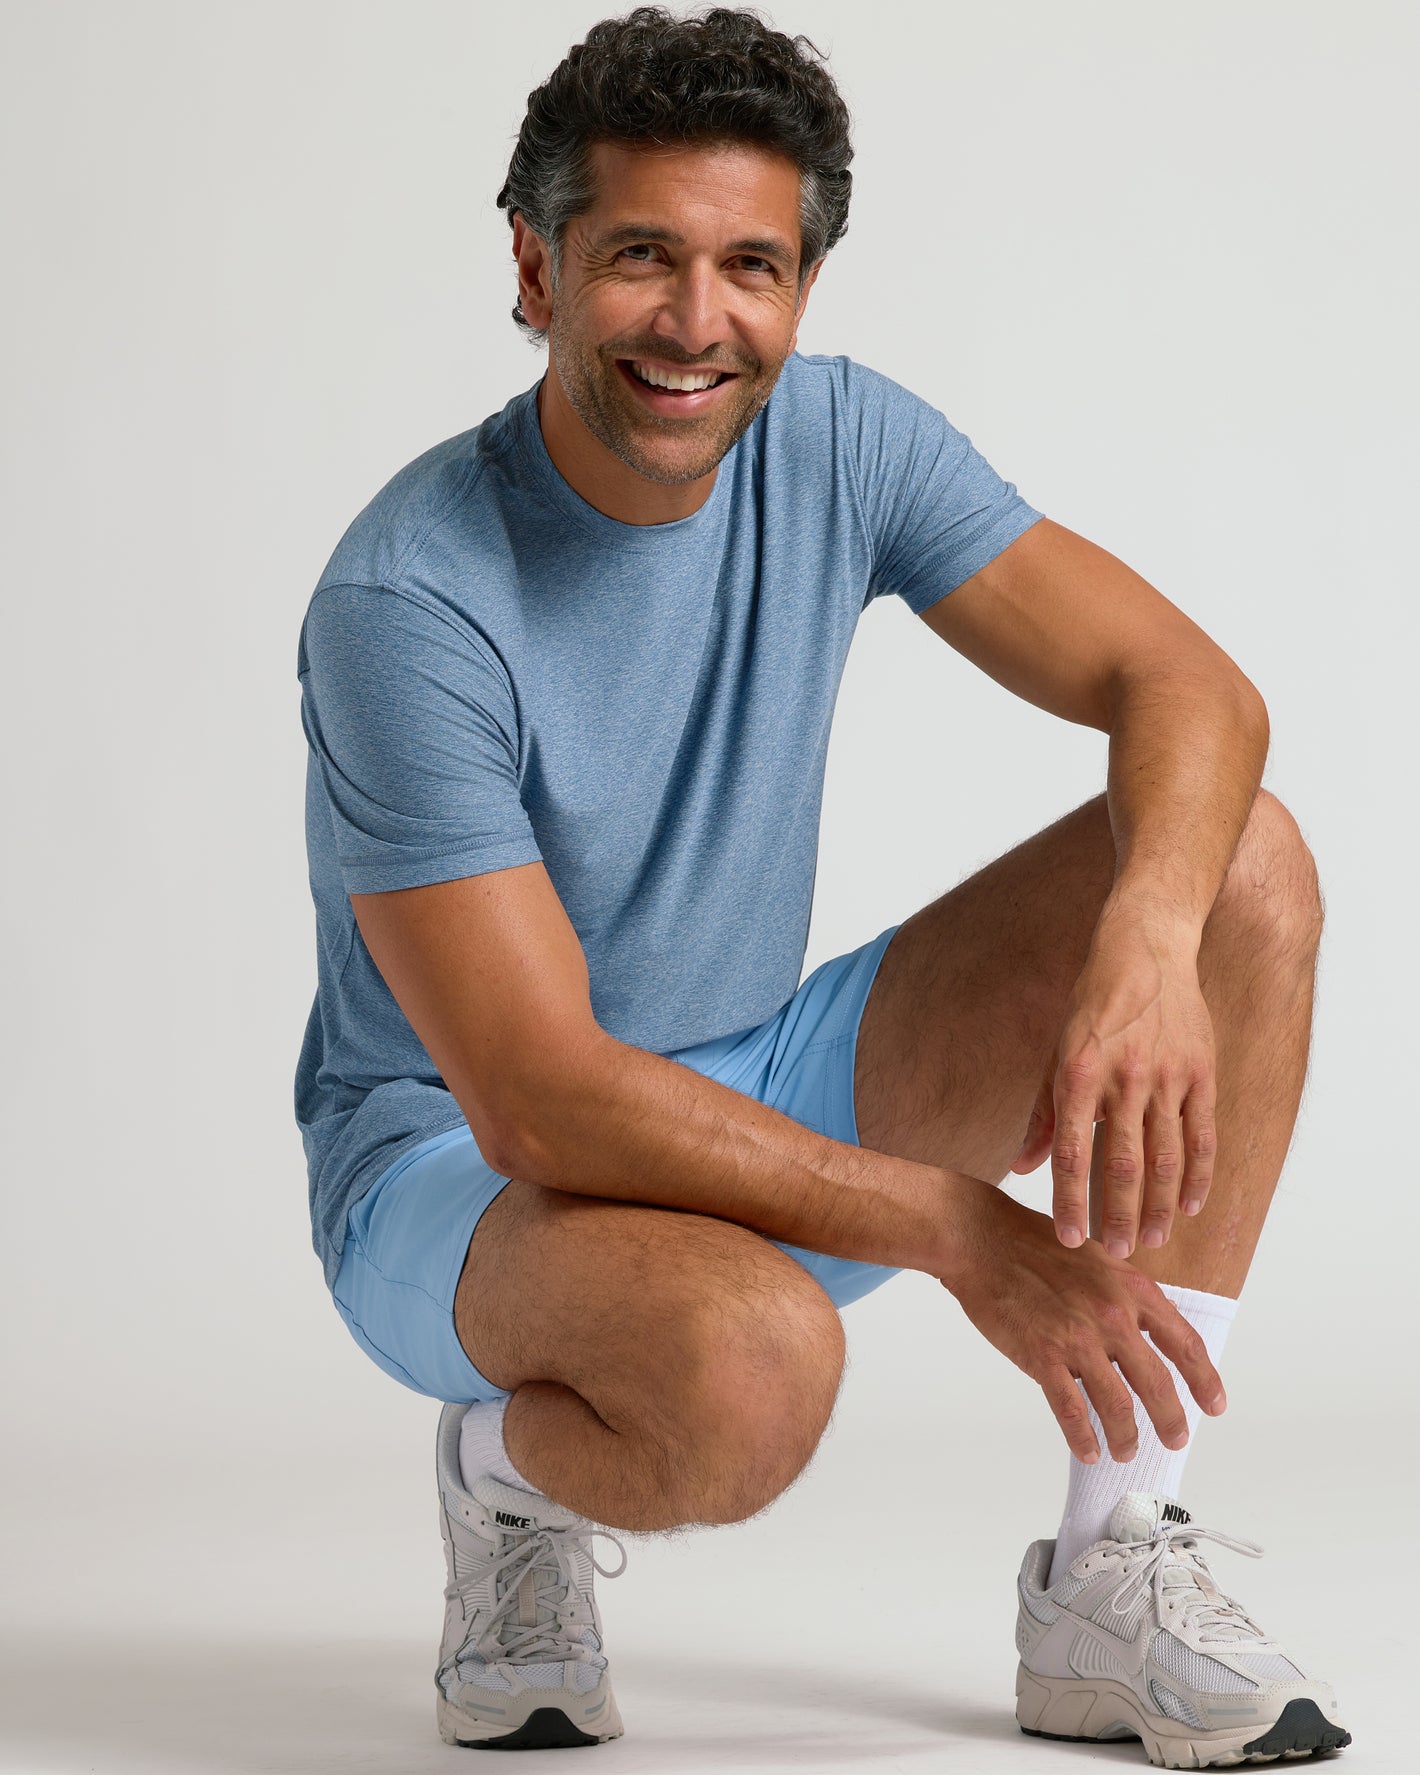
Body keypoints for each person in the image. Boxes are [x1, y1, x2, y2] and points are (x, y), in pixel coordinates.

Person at [294, 7, 1351, 1765]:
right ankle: (505, 1480)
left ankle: (1114, 1565)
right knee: (754, 1372)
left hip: (752, 1071)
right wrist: (958, 1227)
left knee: (1241, 861)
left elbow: (1188, 688)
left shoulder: (841, 442)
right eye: (641, 256)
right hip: (460, 1169)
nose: (696, 322)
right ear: (538, 272)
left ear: (801, 290)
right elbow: (541, 1095)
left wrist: (1151, 943)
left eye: (751, 267)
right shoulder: (409, 601)